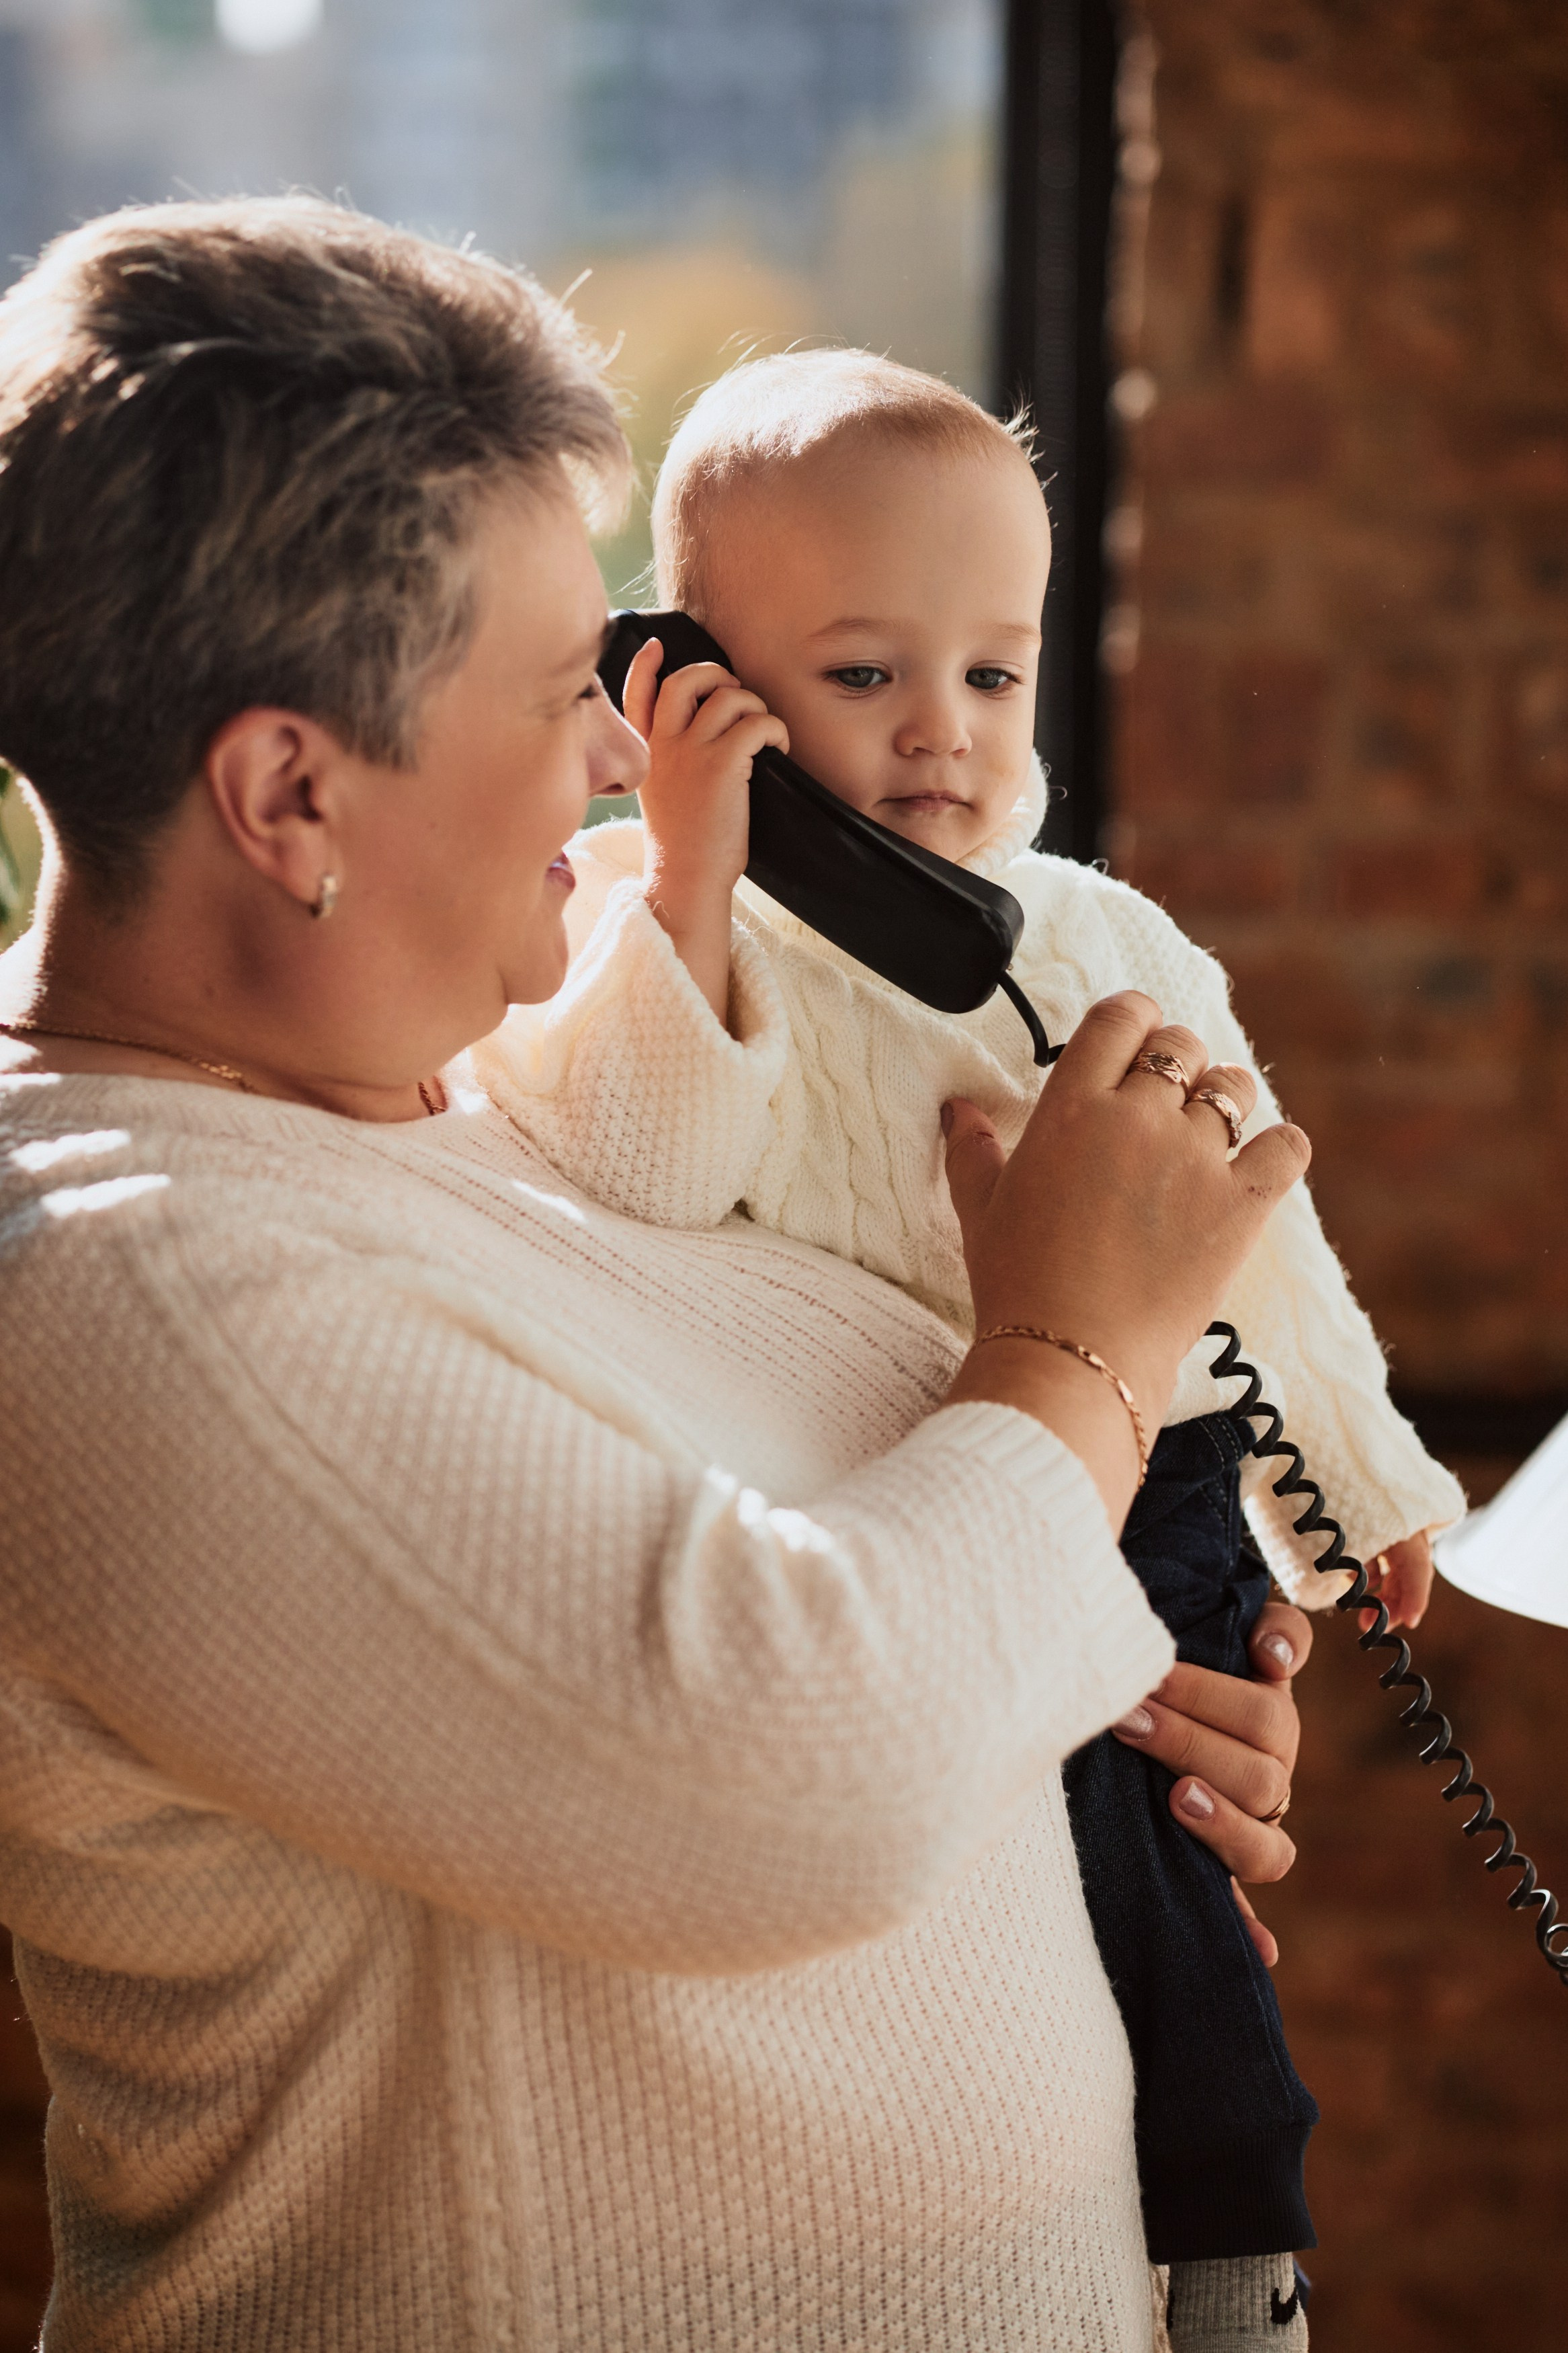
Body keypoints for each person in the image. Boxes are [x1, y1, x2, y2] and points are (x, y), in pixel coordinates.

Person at [2, 198, 1313, 2353]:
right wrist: (1079, 1348)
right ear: (288, 795)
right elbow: (797, 1765)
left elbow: (881, 1610)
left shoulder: (486, 1089)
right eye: (554, 690)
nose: (625, 751)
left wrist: (1115, 1697)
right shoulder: (126, 1291)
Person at [477, 349, 1468, 2352]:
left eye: (993, 675)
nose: (943, 731)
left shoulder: (1102, 935)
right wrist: (689, 866)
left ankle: (1233, 2276)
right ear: (692, 678)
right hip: (888, 1518)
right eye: (862, 676)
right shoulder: (642, 929)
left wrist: (1354, 1493)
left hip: (1158, 1482)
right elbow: (645, 1165)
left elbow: (1254, 1241)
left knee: (1187, 1944)